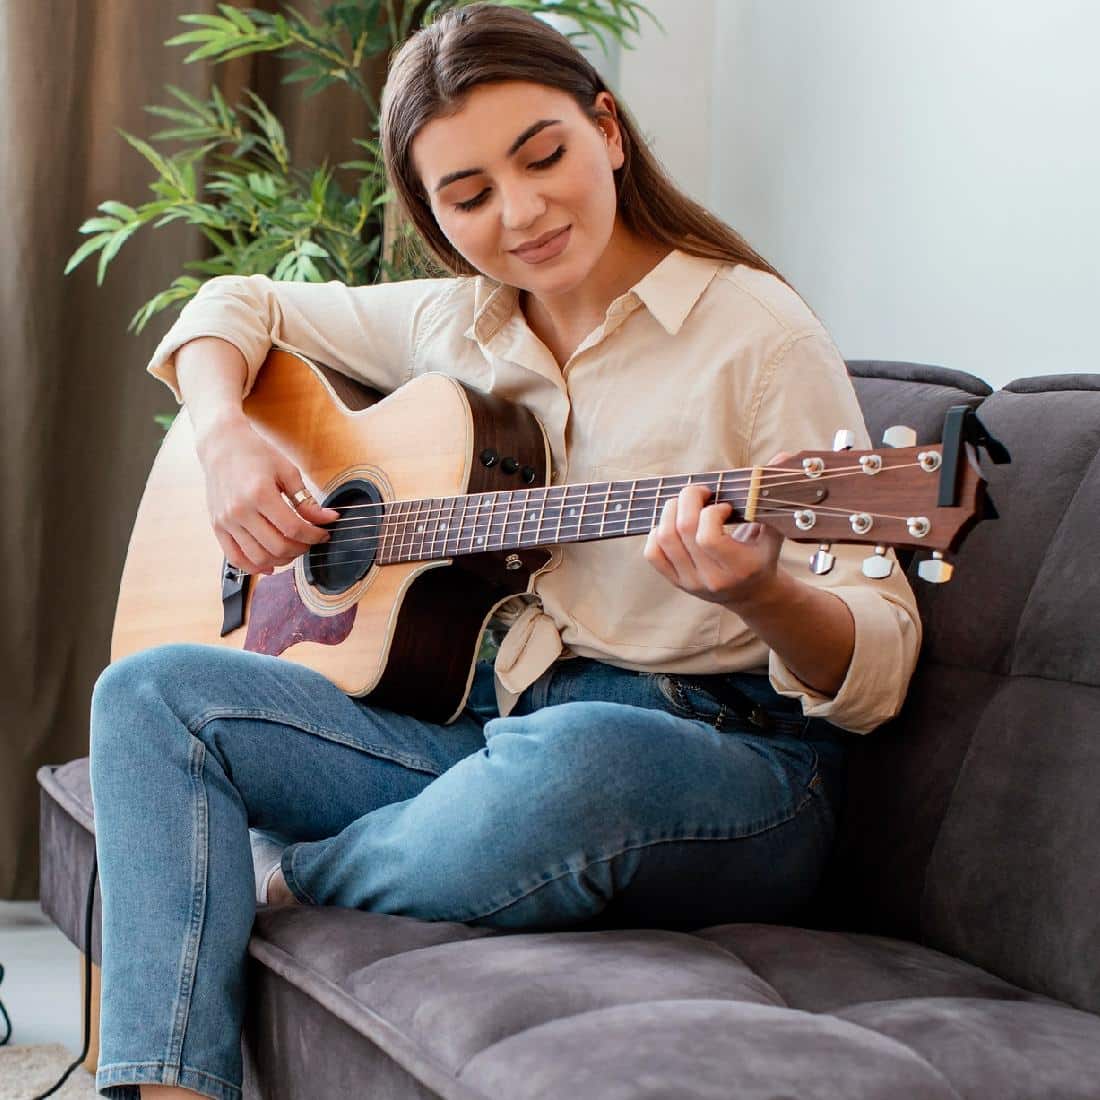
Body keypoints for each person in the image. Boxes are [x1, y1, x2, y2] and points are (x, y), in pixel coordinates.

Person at [88, 5, 921, 1098]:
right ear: (431, 212)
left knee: (577, 756)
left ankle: (277, 871)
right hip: (486, 731)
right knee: (146, 695)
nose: (520, 213)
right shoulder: (457, 323)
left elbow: (880, 659)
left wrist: (763, 593)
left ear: (608, 132)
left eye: (543, 157)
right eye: (469, 195)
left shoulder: (758, 337)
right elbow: (233, 301)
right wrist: (224, 433)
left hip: (722, 761)